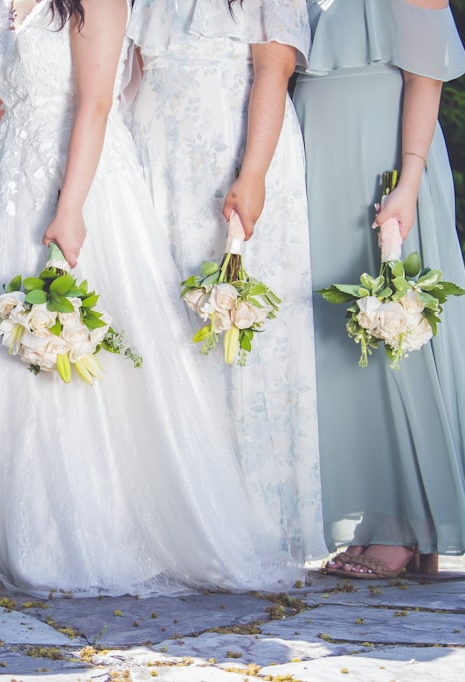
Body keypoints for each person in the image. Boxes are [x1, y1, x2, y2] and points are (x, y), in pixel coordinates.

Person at [0, 0, 306, 597]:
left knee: (83, 355)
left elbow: (98, 101)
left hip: (79, 178)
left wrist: (71, 206)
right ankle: (4, 523)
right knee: (8, 349)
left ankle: (86, 528)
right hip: (13, 179)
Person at [293, 0, 465, 578]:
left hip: (380, 155)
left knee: (393, 327)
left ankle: (415, 522)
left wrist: (409, 179)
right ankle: (370, 518)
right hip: (313, 155)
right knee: (341, 342)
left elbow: (424, 74)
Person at [127, 0, 325, 566]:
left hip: (231, 152)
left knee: (234, 331)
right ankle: (182, 519)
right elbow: (135, 70)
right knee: (170, 329)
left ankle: (253, 526)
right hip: (158, 158)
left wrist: (253, 174)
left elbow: (274, 66)